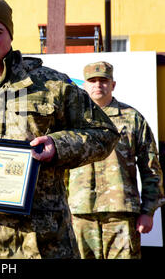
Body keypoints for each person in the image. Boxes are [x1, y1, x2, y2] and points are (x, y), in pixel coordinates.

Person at [0, 0, 120, 259]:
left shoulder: (52, 85)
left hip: (41, 242)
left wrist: (58, 146)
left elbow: (104, 134)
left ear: (10, 35)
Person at [67, 61, 164, 259]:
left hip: (121, 214)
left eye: (103, 80)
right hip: (79, 213)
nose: (98, 85)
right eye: (92, 80)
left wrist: (148, 211)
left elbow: (150, 167)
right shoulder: (71, 120)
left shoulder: (133, 118)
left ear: (113, 84)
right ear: (84, 85)